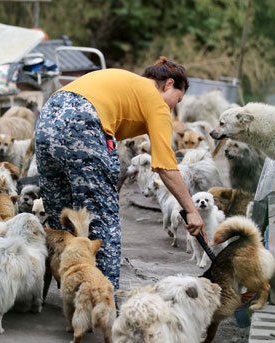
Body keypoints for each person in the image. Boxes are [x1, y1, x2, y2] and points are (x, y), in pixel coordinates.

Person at [35, 57, 206, 291]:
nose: (172, 108)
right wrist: (191, 211)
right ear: (168, 84)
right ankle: (103, 302)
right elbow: (166, 167)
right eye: (177, 100)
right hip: (83, 122)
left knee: (60, 221)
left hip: (48, 116)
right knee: (103, 224)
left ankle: (49, 293)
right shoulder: (156, 101)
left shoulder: (126, 84)